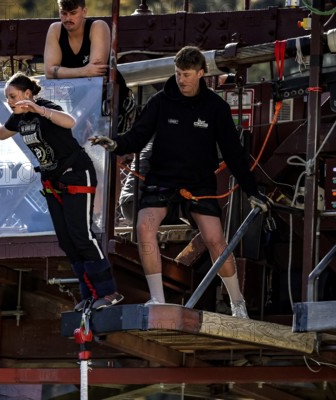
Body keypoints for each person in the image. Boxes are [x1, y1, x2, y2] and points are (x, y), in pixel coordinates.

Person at [89, 46, 270, 318]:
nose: (181, 80)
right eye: (177, 73)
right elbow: (137, 137)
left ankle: (237, 302)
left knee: (215, 240)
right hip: (162, 179)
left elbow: (233, 153)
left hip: (199, 182)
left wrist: (251, 190)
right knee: (144, 225)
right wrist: (115, 143)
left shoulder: (216, 108)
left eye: (186, 74)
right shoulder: (160, 102)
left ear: (201, 73)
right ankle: (158, 299)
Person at [0, 72, 123, 311]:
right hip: (53, 182)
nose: (9, 101)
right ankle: (90, 294)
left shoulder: (44, 107)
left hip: (76, 173)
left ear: (28, 94)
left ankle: (108, 292)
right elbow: (0, 133)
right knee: (67, 241)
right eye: (7, 97)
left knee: (82, 235)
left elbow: (69, 122)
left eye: (13, 96)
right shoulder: (18, 118)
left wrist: (39, 110)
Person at [44, 0, 135, 134]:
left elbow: (95, 74)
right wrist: (84, 70)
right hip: (78, 101)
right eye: (64, 13)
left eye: (73, 13)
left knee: (115, 149)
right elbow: (49, 72)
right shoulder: (55, 30)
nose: (68, 18)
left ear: (84, 11)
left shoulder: (97, 27)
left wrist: (63, 72)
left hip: (110, 102)